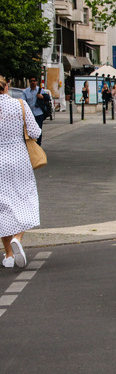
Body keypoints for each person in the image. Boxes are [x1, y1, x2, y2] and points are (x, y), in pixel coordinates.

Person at [0, 75, 41, 268]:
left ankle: (8, 255)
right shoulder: (20, 104)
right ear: (7, 86)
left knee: (3, 207)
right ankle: (18, 238)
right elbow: (35, 132)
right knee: (26, 199)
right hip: (18, 158)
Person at [21, 76, 46, 146]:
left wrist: (42, 97)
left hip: (39, 114)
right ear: (29, 82)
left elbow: (47, 99)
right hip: (29, 115)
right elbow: (22, 102)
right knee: (29, 131)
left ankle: (38, 145)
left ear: (36, 82)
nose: (33, 82)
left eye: (34, 81)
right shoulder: (26, 92)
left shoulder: (41, 90)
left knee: (38, 130)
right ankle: (31, 145)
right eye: (31, 81)